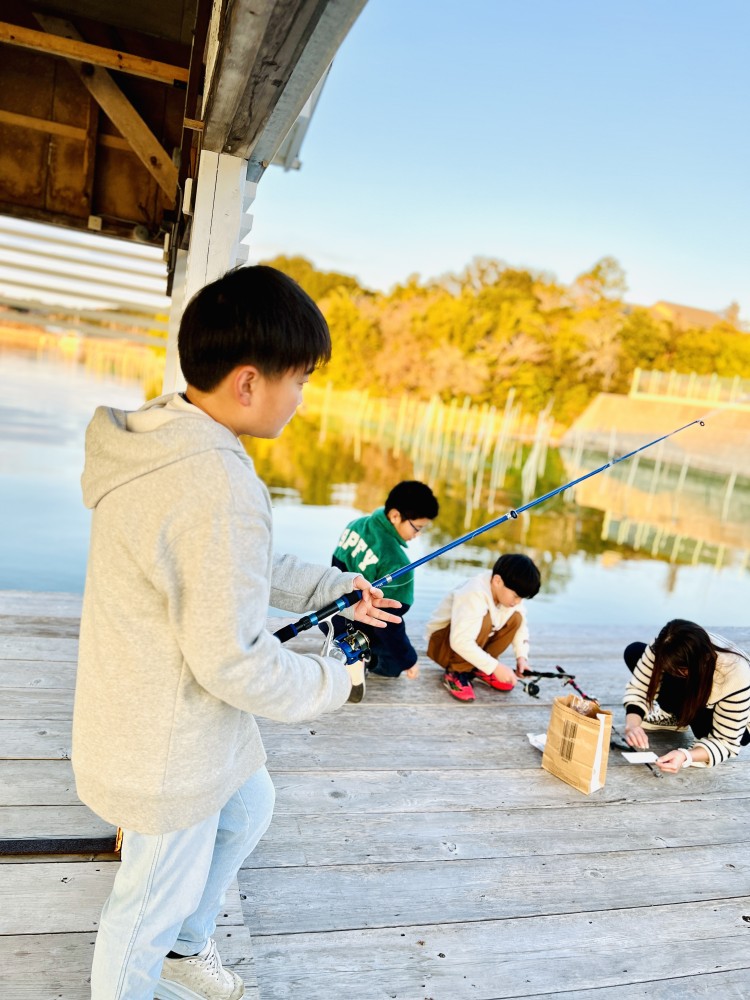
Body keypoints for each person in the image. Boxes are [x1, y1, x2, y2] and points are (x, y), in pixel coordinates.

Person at [73, 265, 401, 1000]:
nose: (303, 397)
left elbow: (224, 561)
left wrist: (333, 589)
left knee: (250, 806)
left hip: (142, 713)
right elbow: (237, 666)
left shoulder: (163, 437)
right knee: (142, 911)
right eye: (301, 379)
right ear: (249, 384)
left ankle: (187, 954)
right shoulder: (217, 481)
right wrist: (335, 680)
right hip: (166, 748)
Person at [330, 480, 439, 679]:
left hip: (333, 618)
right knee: (394, 664)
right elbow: (391, 620)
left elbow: (334, 573)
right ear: (396, 516)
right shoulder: (399, 563)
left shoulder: (356, 524)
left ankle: (342, 645)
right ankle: (360, 660)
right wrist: (408, 659)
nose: (418, 534)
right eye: (417, 527)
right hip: (363, 621)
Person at [623, 618, 750, 772]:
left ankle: (686, 718)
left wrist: (686, 755)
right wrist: (632, 724)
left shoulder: (736, 674)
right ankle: (675, 718)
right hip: (696, 689)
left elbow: (725, 743)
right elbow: (639, 687)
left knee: (712, 735)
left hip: (738, 721)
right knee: (635, 652)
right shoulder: (664, 644)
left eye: (679, 671)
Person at [425, 553, 541, 702]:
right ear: (497, 581)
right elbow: (460, 641)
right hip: (443, 645)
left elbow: (521, 627)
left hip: (467, 642)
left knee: (516, 619)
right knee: (485, 620)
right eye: (516, 596)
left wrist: (521, 658)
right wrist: (496, 667)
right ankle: (456, 672)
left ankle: (479, 667)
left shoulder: (507, 595)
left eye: (522, 598)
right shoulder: (474, 592)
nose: (518, 602)